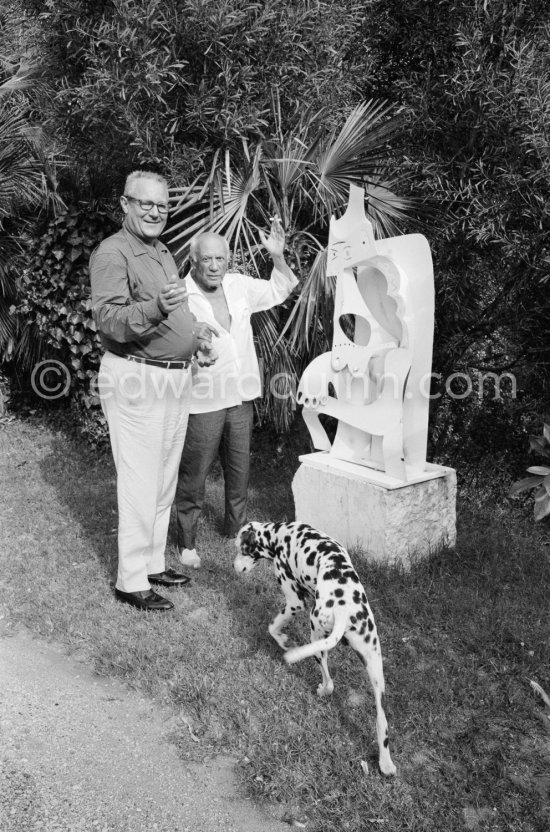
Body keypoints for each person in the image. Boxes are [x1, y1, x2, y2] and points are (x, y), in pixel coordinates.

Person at [90, 170, 216, 611]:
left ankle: (150, 563)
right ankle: (130, 580)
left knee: (163, 475)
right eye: (146, 203)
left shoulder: (161, 250)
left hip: (172, 376)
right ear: (125, 204)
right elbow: (109, 321)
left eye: (162, 205)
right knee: (141, 477)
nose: (155, 212)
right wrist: (157, 307)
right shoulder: (112, 253)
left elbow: (172, 316)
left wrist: (194, 334)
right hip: (136, 375)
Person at [174, 218, 298, 569]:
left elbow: (281, 288)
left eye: (221, 259)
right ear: (194, 261)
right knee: (195, 472)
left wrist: (277, 256)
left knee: (239, 469)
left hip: (242, 396)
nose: (214, 266)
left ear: (228, 261)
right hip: (203, 398)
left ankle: (237, 529)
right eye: (207, 260)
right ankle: (187, 542)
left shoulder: (239, 285)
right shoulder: (181, 294)